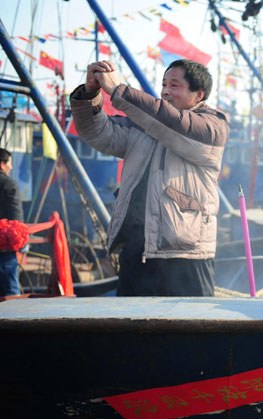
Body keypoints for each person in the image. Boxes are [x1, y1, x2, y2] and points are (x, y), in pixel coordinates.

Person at [70, 59, 229, 296]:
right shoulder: (145, 124)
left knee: (190, 329)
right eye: (164, 84)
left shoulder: (211, 127)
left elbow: (173, 123)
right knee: (130, 328)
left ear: (199, 95)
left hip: (185, 254)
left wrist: (117, 90)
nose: (165, 90)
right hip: (137, 250)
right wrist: (90, 94)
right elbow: (98, 133)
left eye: (174, 85)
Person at [0, 148, 23, 296]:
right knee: (10, 290)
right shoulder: (9, 184)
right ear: (2, 164)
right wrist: (21, 243)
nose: (11, 167)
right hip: (4, 247)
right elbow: (16, 221)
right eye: (9, 163)